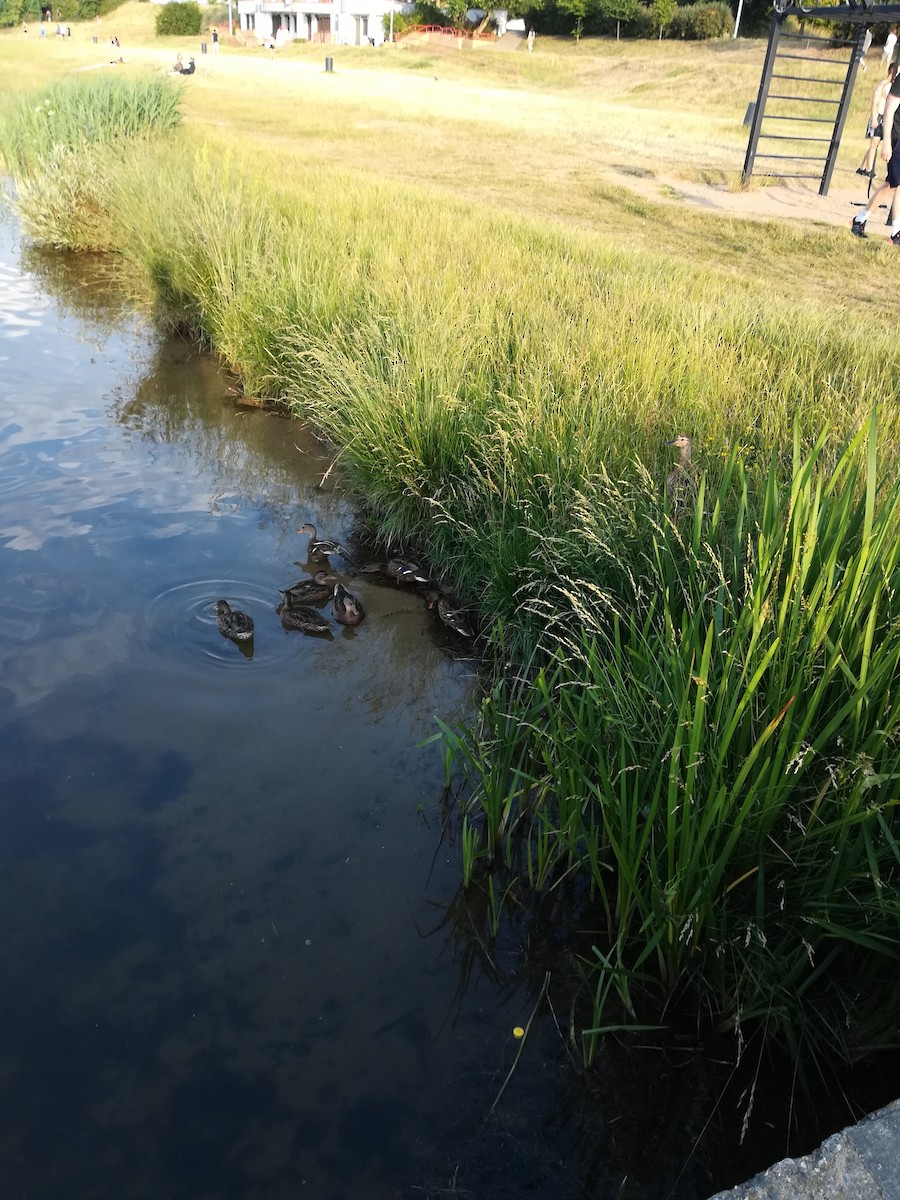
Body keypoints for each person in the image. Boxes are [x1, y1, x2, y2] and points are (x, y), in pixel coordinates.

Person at [851, 66, 900, 242]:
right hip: (896, 138)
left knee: (895, 185)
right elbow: (888, 110)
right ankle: (859, 220)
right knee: (892, 184)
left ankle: (895, 231)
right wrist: (886, 141)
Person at [858, 63, 895, 177]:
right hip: (877, 116)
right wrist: (874, 118)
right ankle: (869, 170)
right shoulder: (883, 85)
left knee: (875, 144)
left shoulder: (891, 86)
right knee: (874, 144)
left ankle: (862, 167)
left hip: (884, 117)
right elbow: (874, 102)